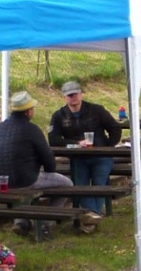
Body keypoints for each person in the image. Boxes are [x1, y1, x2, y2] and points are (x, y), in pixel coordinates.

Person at [0, 91, 82, 233]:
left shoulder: (0, 128)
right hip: (26, 179)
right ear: (28, 112)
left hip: (2, 181)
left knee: (25, 189)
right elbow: (47, 157)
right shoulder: (31, 129)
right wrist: (49, 170)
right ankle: (45, 222)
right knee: (67, 184)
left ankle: (21, 222)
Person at [49, 80, 121, 217]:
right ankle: (94, 215)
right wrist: (76, 143)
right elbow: (53, 140)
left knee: (99, 184)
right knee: (80, 187)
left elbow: (115, 128)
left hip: (101, 157)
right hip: (78, 158)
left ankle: (92, 216)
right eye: (70, 95)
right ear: (64, 97)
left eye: (75, 94)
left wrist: (107, 147)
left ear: (81, 94)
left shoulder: (96, 110)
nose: (73, 98)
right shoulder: (59, 115)